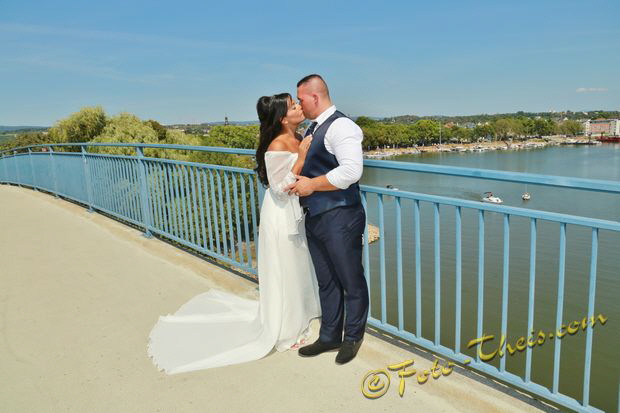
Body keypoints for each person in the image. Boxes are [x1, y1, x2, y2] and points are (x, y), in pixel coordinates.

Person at [147, 93, 321, 374]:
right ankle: (286, 327)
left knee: (297, 263)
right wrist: (300, 157)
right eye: (293, 106)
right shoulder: (277, 145)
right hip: (280, 213)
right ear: (282, 118)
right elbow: (279, 188)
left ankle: (304, 312)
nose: (299, 107)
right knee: (285, 266)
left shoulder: (300, 135)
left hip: (295, 211)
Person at [286, 74, 369, 365]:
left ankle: (353, 337)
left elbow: (351, 172)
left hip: (340, 216)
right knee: (327, 281)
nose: (299, 105)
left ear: (315, 97)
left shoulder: (342, 126)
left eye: (301, 99)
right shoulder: (314, 128)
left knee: (350, 279)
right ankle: (330, 336)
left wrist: (311, 185)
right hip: (316, 216)